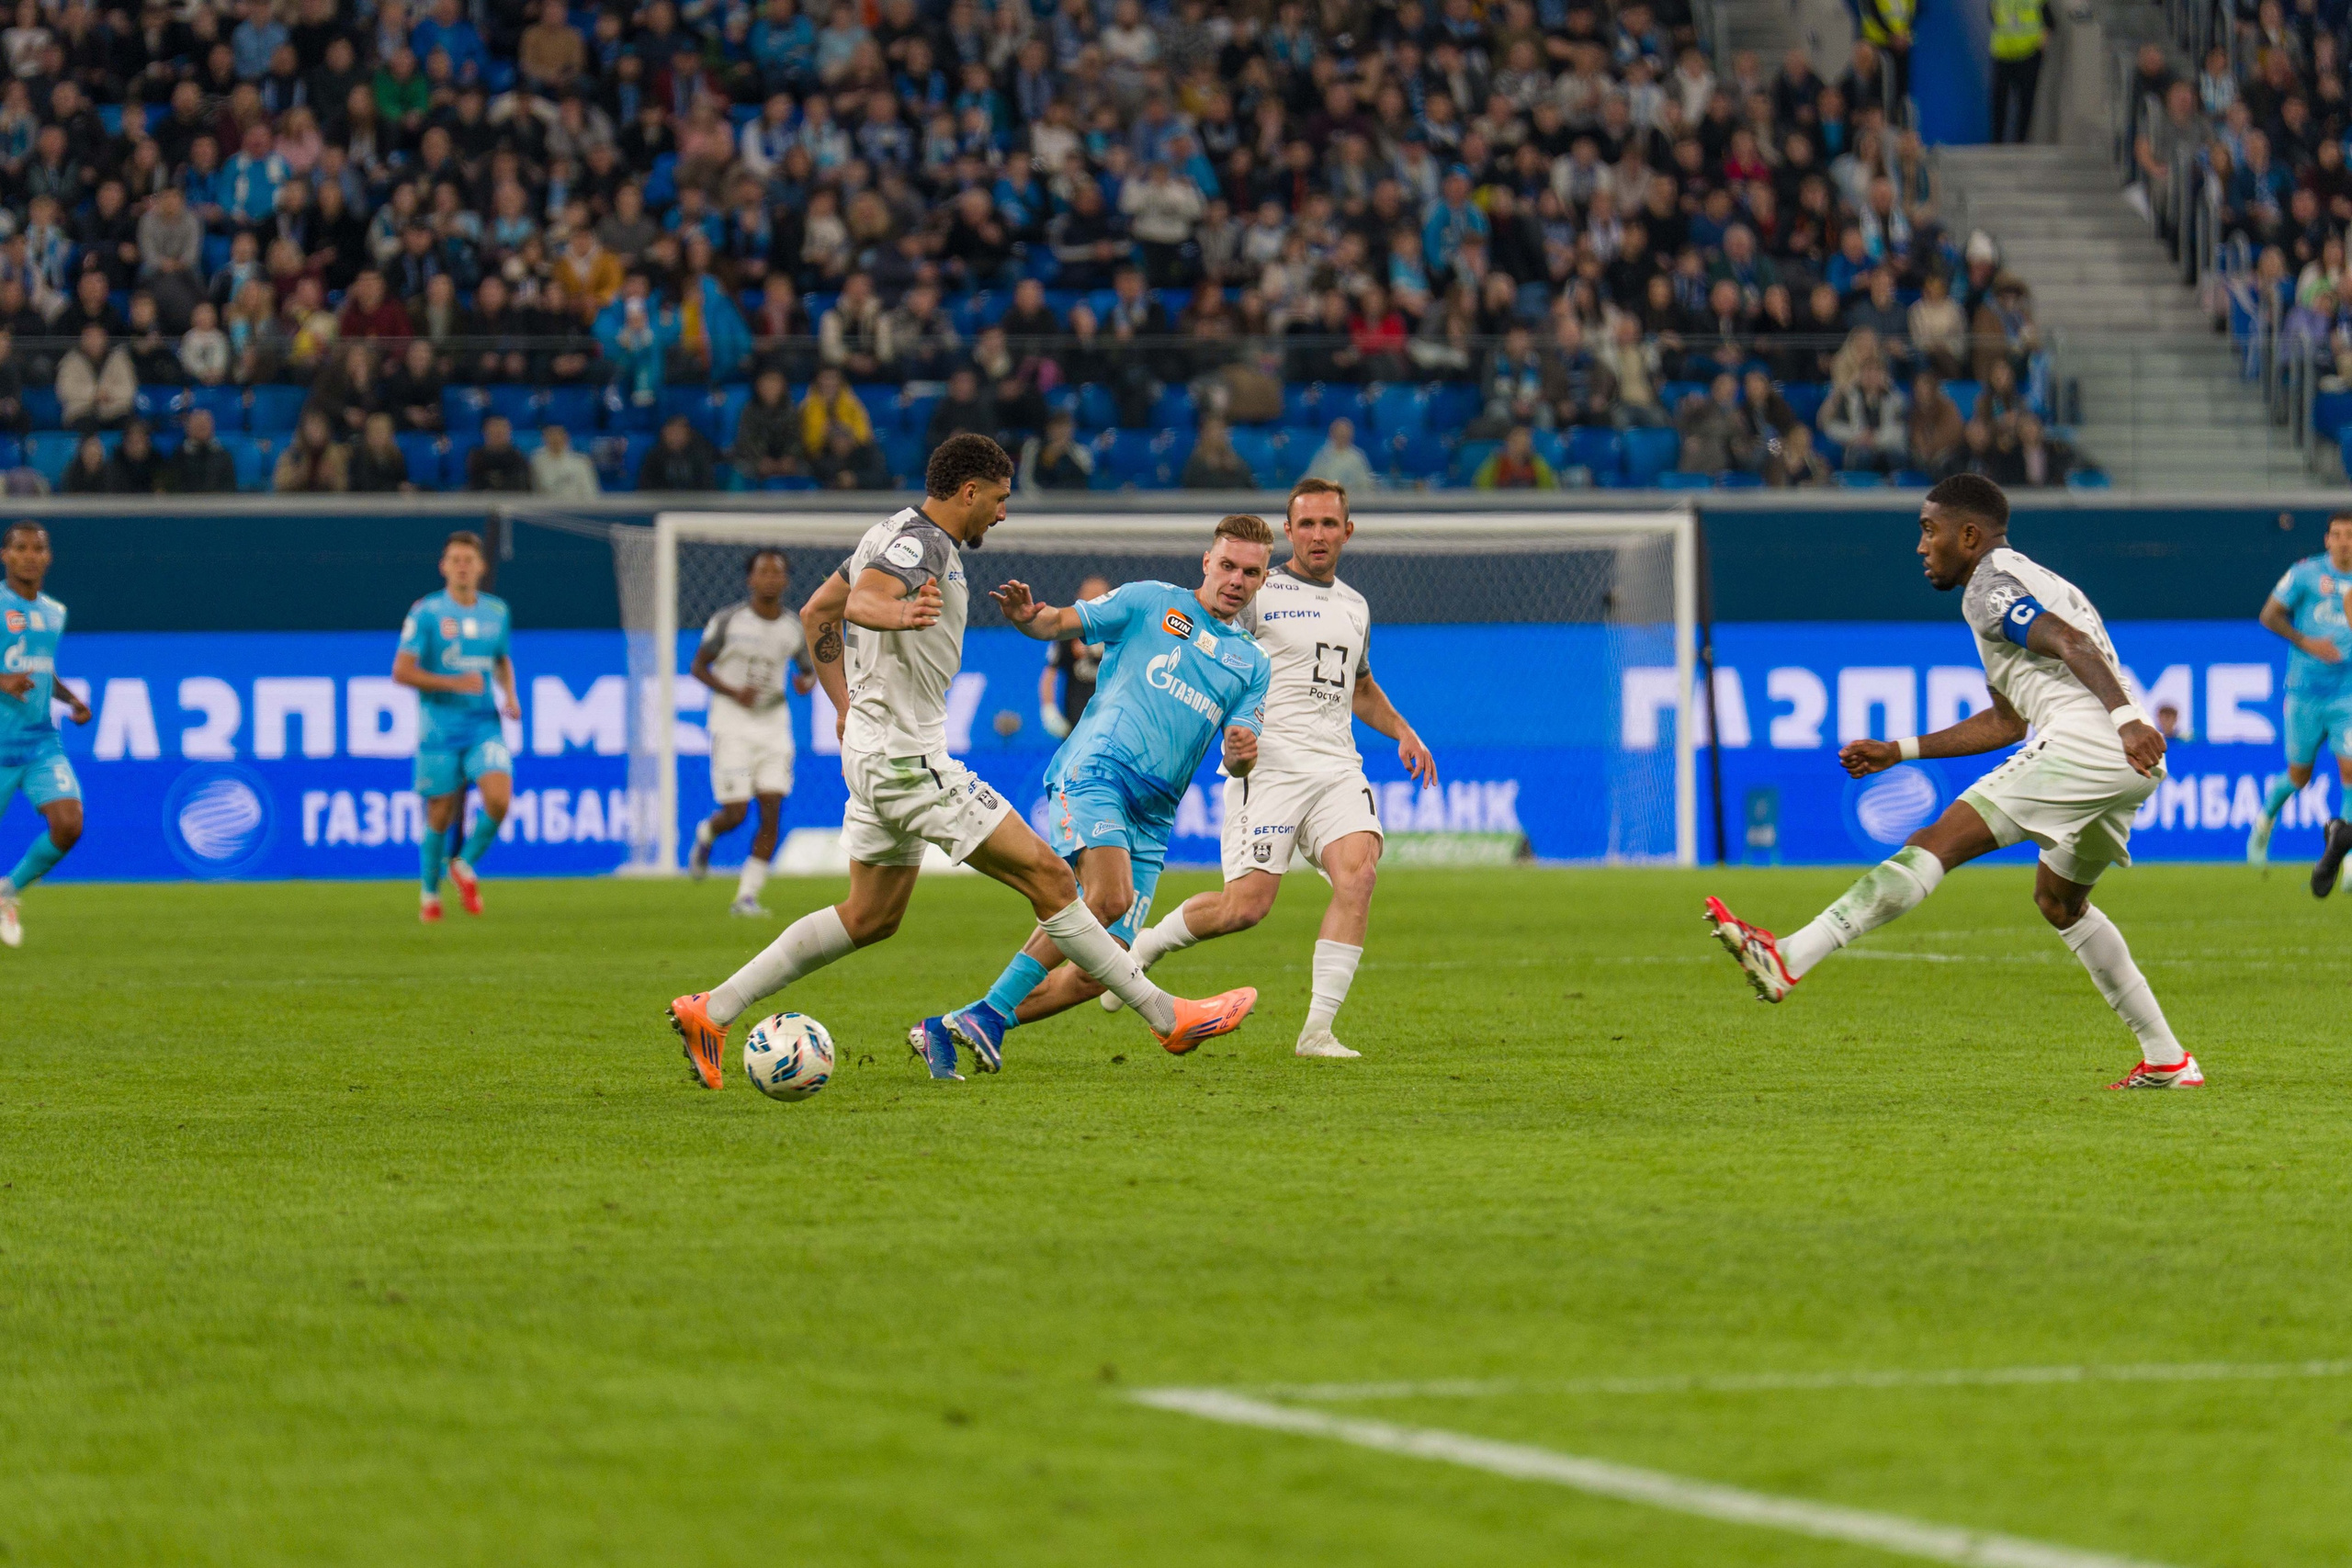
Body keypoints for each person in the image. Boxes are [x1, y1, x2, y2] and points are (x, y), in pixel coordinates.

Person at [666, 435, 1259, 1089]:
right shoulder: (922, 544)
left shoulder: (890, 532)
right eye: (1000, 499)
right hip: (907, 758)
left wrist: (842, 704)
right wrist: (893, 611)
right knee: (1053, 881)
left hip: (876, 749)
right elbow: (859, 601)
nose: (1002, 514)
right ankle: (1165, 1013)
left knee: (870, 915)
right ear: (969, 491)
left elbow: (816, 612)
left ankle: (711, 1009)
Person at [1703, 475, 2199, 1090]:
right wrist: (1901, 750)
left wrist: (2125, 721)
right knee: (2060, 902)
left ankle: (1787, 956)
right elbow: (2006, 720)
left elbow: (2069, 642)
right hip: (2119, 755)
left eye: (1928, 530)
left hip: (2093, 740)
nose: (1921, 545)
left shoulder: (1990, 586)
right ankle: (2167, 1060)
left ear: (1969, 535)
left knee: (1936, 839)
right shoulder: (2023, 580)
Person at [912, 513, 1275, 1071]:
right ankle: (984, 1020)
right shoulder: (1152, 602)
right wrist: (1027, 618)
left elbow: (1238, 752)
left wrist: (1240, 756)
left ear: (1262, 578)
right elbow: (1059, 622)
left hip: (1155, 815)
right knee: (1107, 900)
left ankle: (957, 1022)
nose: (1236, 580)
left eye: (1250, 573)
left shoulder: (1252, 663)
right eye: (1227, 565)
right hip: (1098, 771)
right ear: (1207, 562)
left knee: (1098, 968)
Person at [1107, 479, 1436, 1058]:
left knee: (1359, 875)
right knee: (1245, 908)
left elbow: (1358, 687)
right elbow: (1201, 642)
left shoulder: (1355, 606)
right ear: (1288, 531)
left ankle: (1317, 1032)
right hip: (1269, 768)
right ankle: (1148, 945)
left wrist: (1404, 730)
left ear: (1347, 531)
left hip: (1337, 767)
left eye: (1329, 524)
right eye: (1305, 524)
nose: (1317, 535)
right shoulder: (1258, 590)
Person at [391, 531, 518, 924]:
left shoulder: (497, 611)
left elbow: (500, 659)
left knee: (499, 798)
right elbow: (402, 671)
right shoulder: (426, 612)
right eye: (455, 560)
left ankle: (462, 864)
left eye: (469, 560)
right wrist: (453, 683)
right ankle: (429, 894)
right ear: (444, 566)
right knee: (440, 811)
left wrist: (510, 695)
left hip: (483, 725)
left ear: (481, 567)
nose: (462, 566)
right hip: (440, 729)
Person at [686, 549, 817, 915]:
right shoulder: (729, 621)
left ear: (786, 581)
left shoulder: (793, 627)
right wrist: (732, 692)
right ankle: (707, 834)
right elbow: (698, 666)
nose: (771, 579)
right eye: (764, 573)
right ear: (750, 580)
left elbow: (808, 670)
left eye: (778, 573)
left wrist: (807, 682)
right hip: (731, 723)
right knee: (736, 812)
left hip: (774, 724)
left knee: (772, 808)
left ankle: (747, 896)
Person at [0, 522, 90, 946]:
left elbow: (40, 666)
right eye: (21, 548)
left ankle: (6, 892)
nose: (30, 555)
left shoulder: (55, 612)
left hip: (38, 743)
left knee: (69, 823)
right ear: (6, 556)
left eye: (39, 548)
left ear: (49, 558)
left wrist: (70, 699)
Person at [2250, 512, 2352, 871]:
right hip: (2306, 691)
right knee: (2299, 776)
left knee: (2350, 771)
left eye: (2350, 536)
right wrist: (2307, 642)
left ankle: (2346, 857)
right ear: (2327, 540)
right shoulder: (2306, 573)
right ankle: (2263, 824)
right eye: (2337, 535)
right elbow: (2270, 615)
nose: (2343, 542)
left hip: (2348, 694)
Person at [1037, 573, 1110, 739]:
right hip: (1077, 718)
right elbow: (1050, 673)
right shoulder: (1068, 633)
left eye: (1101, 595)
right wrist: (1049, 710)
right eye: (1090, 595)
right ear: (1079, 598)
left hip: (1112, 718)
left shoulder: (1119, 632)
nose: (1095, 600)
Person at [1989, 0, 2050, 145]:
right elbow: (1992, 16)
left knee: (2024, 103)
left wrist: (2040, 44)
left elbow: (2049, 22)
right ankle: (1997, 144)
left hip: (2028, 56)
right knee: (1999, 103)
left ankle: (2020, 143)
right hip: (2003, 55)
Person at [167, 407, 240, 493]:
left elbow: (229, 487)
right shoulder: (178, 456)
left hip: (217, 504)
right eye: (198, 425)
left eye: (204, 426)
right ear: (188, 428)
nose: (201, 428)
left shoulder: (224, 456)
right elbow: (174, 488)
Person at [1302, 417, 1379, 494]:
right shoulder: (1322, 456)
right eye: (1339, 433)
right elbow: (1310, 480)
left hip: (1353, 501)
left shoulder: (1357, 457)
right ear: (1332, 434)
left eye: (1345, 434)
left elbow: (1366, 485)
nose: (1342, 436)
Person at [466, 412, 532, 491]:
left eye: (501, 432)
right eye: (493, 432)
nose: (497, 435)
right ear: (485, 433)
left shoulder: (518, 458)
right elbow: (474, 486)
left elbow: (520, 486)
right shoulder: (476, 457)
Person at [530, 424, 601, 498]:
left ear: (566, 437)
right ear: (544, 438)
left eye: (558, 434)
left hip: (576, 507)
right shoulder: (537, 461)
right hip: (545, 507)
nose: (555, 439)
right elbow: (534, 491)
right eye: (551, 435)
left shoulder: (581, 462)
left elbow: (590, 492)